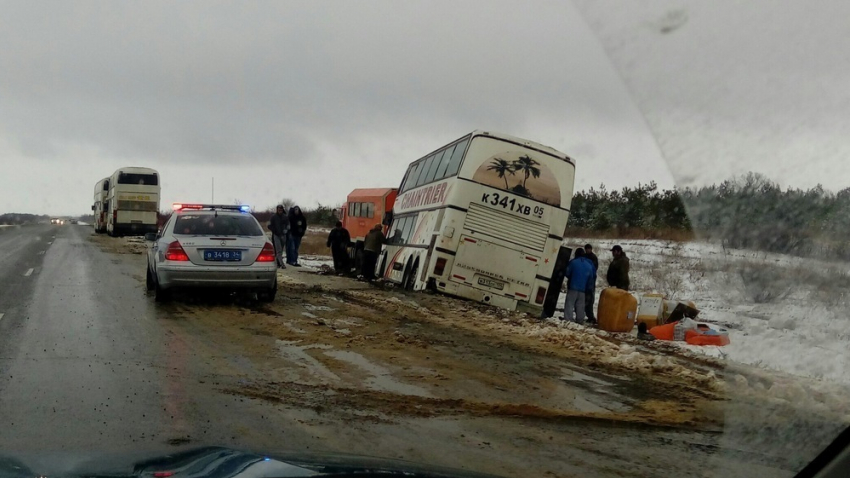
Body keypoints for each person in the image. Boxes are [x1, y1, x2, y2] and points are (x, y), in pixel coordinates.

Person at [564, 248, 595, 325]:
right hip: (583, 289)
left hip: (573, 287)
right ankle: (580, 320)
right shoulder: (589, 265)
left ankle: (568, 319)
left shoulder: (573, 262)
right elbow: (591, 277)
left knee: (569, 304)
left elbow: (567, 272)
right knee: (580, 305)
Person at [584, 243, 599, 324]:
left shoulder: (593, 257)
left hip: (590, 281)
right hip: (587, 281)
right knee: (586, 299)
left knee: (590, 300)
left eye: (588, 249)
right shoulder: (585, 256)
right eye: (586, 249)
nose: (587, 250)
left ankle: (590, 316)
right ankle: (588, 315)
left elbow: (594, 269)